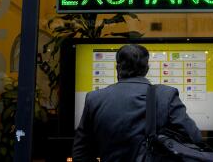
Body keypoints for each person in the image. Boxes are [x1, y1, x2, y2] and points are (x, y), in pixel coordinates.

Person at [72, 44, 202, 162]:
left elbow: (80, 153)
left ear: (117, 68)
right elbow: (194, 137)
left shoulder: (94, 99)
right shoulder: (166, 95)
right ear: (146, 69)